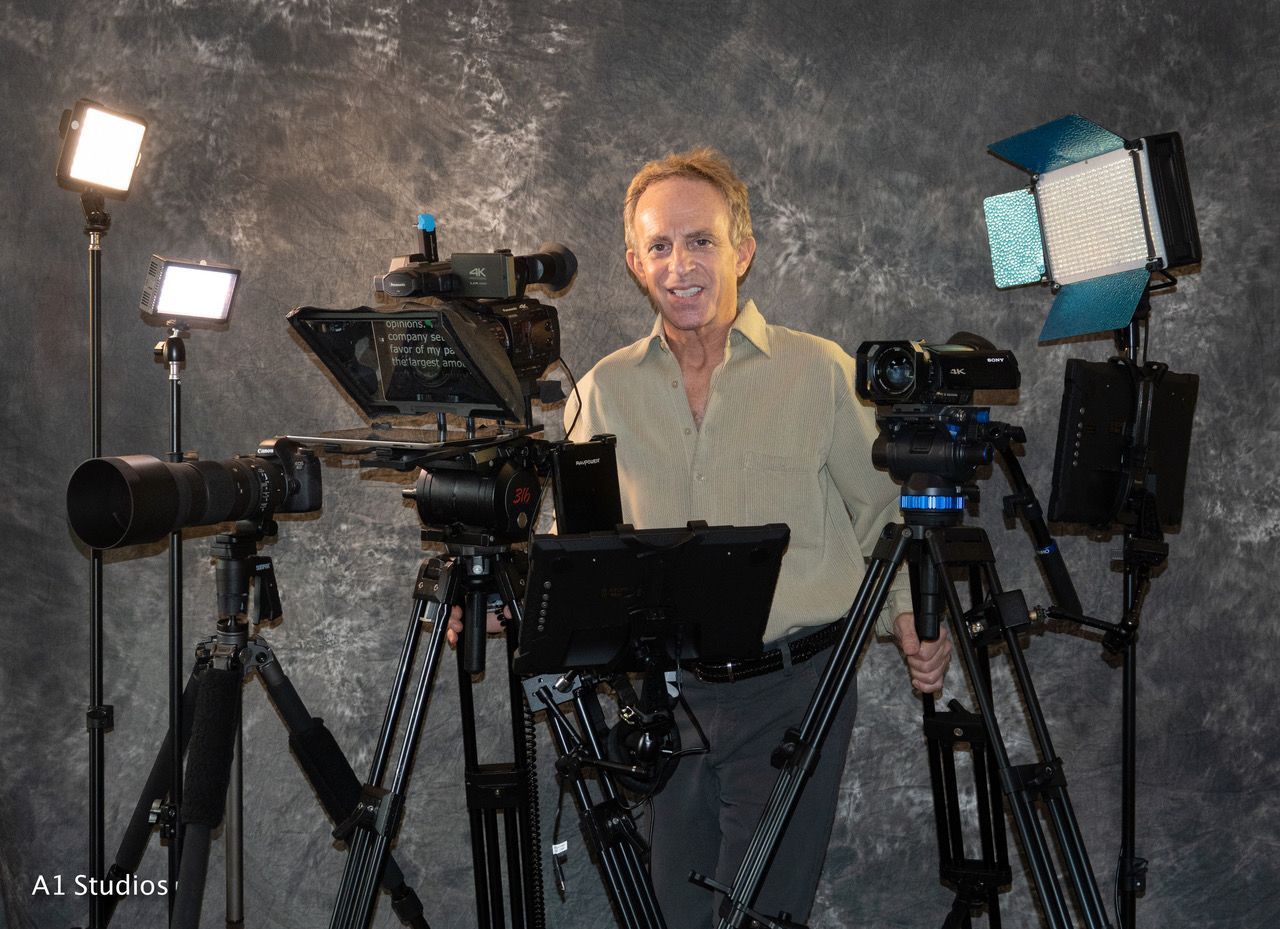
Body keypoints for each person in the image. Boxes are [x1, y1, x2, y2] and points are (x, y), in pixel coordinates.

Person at [547, 147, 952, 927]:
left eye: (700, 240)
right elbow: (571, 544)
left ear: (743, 248)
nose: (681, 265)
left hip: (793, 692)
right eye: (660, 246)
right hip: (663, 700)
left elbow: (883, 512)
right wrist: (503, 601)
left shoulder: (821, 372)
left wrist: (911, 616)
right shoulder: (602, 390)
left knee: (759, 916)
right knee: (675, 913)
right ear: (635, 263)